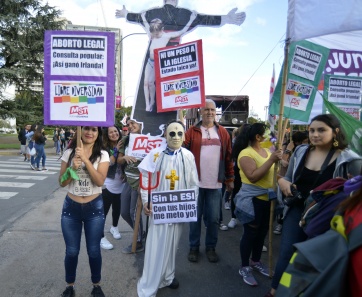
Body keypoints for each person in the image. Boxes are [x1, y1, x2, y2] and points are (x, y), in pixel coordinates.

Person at [265, 114, 362, 297]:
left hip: (325, 216)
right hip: (295, 210)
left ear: (336, 132)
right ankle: (275, 291)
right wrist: (283, 183)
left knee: (313, 257)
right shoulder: (301, 151)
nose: (315, 134)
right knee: (287, 252)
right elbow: (287, 178)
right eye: (312, 130)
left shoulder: (350, 160)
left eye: (321, 130)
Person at [115, 1, 246, 134]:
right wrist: (126, 15)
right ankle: (150, 105)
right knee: (147, 84)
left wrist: (225, 18)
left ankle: (162, 118)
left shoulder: (179, 17)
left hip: (171, 62)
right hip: (154, 61)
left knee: (169, 93)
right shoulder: (154, 15)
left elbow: (197, 22)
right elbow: (140, 18)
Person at [137, 120, 199, 297]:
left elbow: (194, 183)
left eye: (180, 133)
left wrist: (190, 206)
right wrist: (147, 201)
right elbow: (146, 178)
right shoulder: (156, 154)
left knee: (173, 244)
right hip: (159, 208)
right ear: (165, 134)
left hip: (178, 209)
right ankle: (150, 283)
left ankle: (168, 276)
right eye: (172, 133)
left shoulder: (187, 156)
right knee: (155, 245)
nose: (176, 137)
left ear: (185, 136)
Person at [59, 126, 110, 297]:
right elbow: (62, 182)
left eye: (94, 130)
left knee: (94, 250)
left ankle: (96, 285)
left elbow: (99, 181)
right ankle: (70, 286)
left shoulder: (103, 154)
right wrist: (72, 167)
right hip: (71, 209)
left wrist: (86, 161)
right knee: (72, 251)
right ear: (80, 132)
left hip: (94, 208)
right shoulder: (69, 153)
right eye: (86, 129)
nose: (89, 132)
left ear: (98, 134)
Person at [184, 99, 234, 263]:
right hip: (195, 183)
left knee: (213, 219)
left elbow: (228, 158)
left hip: (216, 183)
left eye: (212, 110)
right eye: (206, 110)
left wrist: (230, 178)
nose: (210, 112)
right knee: (194, 218)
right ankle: (193, 247)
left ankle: (211, 247)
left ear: (216, 112)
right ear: (201, 111)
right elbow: (182, 152)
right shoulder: (191, 131)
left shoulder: (223, 132)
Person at [233, 123, 282, 286]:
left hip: (268, 199)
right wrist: (272, 160)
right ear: (258, 137)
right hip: (253, 201)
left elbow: (276, 172)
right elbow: (253, 176)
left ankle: (255, 261)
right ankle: (245, 266)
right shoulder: (245, 153)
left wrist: (282, 157)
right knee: (250, 234)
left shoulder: (268, 151)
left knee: (262, 233)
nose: (270, 135)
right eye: (267, 133)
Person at [141, 10, 196, 112]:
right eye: (153, 33)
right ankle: (148, 104)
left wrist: (191, 19)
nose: (155, 35)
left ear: (162, 29)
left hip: (157, 63)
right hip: (150, 61)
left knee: (151, 83)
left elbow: (182, 31)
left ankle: (152, 101)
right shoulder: (152, 34)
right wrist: (143, 17)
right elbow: (146, 26)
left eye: (157, 33)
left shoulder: (167, 36)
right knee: (145, 83)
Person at [118, 117, 145, 254]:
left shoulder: (149, 139)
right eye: (128, 124)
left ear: (141, 123)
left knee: (133, 213)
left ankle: (138, 241)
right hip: (128, 181)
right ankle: (140, 232)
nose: (130, 126)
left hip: (141, 182)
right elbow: (119, 159)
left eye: (133, 123)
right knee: (124, 212)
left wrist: (146, 183)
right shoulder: (126, 140)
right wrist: (124, 158)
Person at [100, 126, 125, 250]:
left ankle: (114, 227)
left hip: (120, 182)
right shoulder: (104, 147)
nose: (114, 133)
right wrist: (116, 150)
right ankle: (100, 236)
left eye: (116, 131)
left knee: (117, 207)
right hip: (107, 182)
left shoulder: (124, 144)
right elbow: (109, 163)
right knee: (103, 211)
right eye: (111, 132)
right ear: (107, 134)